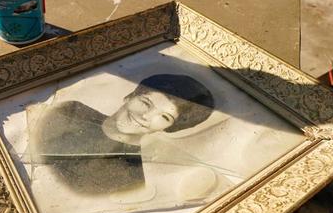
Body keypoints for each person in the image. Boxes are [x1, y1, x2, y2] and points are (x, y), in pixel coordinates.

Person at [28, 73, 214, 197]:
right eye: (146, 103)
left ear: (168, 128)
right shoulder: (68, 111)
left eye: (165, 117)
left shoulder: (130, 178)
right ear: (130, 96)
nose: (145, 116)